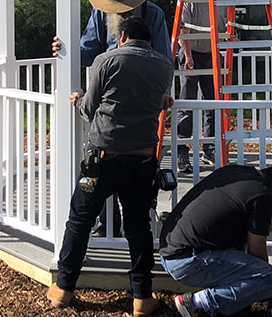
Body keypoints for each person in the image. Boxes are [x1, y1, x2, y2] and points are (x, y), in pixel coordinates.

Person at [46, 17, 175, 317]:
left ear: (123, 36)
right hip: (142, 159)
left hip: (102, 158)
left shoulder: (105, 60)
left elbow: (89, 108)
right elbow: (159, 100)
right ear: (149, 41)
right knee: (138, 227)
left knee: (79, 220)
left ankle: (64, 288)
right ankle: (142, 297)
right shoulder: (163, 66)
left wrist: (77, 100)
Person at [51, 0, 172, 236]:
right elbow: (88, 51)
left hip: (139, 94)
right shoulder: (100, 12)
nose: (117, 8)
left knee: (130, 165)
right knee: (101, 161)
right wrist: (65, 51)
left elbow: (164, 59)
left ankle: (134, 226)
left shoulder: (153, 14)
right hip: (108, 92)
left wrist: (163, 90)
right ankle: (109, 226)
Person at [159, 164, 272, 317]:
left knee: (244, 250)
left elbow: (229, 211)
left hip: (172, 250)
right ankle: (196, 303)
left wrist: (263, 222)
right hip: (189, 261)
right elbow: (257, 252)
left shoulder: (238, 171)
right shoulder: (262, 197)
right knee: (270, 277)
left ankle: (225, 308)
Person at [176, 0, 227, 173]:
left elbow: (227, 28)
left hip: (212, 55)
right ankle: (181, 150)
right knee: (187, 104)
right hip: (192, 53)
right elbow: (183, 29)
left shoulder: (223, 0)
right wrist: (187, 56)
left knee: (212, 103)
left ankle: (210, 148)